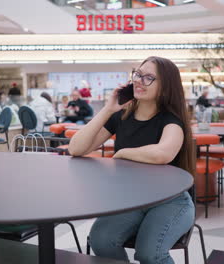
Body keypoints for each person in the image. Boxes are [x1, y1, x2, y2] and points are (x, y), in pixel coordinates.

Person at [68, 56, 195, 264]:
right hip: (132, 200)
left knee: (149, 254)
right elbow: (76, 148)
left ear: (165, 88)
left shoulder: (172, 121)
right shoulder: (122, 116)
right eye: (137, 74)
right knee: (101, 241)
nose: (138, 80)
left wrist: (122, 153)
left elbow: (163, 154)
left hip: (170, 201)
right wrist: (109, 109)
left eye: (148, 78)